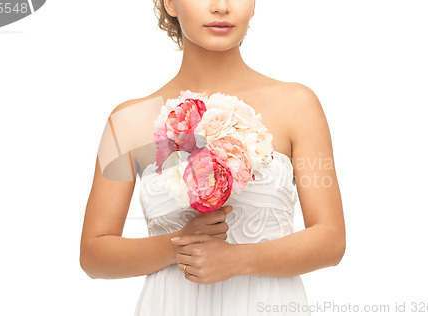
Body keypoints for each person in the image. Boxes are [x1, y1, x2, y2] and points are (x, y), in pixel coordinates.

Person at [79, 0, 346, 315]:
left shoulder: (299, 105)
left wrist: (239, 259)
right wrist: (179, 245)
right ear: (170, 4)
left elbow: (331, 240)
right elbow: (94, 255)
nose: (222, 7)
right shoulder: (126, 121)